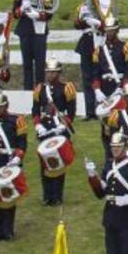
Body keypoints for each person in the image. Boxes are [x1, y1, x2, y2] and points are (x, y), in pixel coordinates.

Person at [33, 58, 76, 206]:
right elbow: (35, 110)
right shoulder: (40, 88)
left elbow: (71, 112)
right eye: (48, 72)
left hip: (60, 129)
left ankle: (57, 196)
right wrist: (38, 125)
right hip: (45, 129)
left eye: (53, 72)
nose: (50, 75)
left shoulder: (67, 87)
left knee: (58, 163)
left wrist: (63, 127)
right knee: (44, 164)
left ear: (59, 73)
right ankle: (47, 196)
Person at [13, 0, 55, 89]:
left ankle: (40, 91)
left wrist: (38, 15)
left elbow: (50, 12)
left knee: (40, 64)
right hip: (25, 30)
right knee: (27, 64)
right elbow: (14, 13)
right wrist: (21, 9)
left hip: (39, 30)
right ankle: (27, 91)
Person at [0, 92, 27, 240]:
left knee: (8, 196)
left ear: (6, 107)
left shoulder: (17, 120)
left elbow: (22, 143)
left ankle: (8, 230)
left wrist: (17, 158)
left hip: (9, 161)